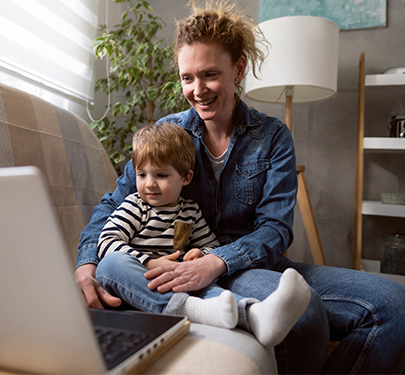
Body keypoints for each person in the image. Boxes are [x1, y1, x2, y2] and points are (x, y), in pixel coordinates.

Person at [75, 1, 405, 373]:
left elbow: (275, 229)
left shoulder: (273, 136)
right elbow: (111, 206)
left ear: (239, 69)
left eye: (210, 74)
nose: (197, 89)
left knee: (395, 305)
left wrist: (218, 261)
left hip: (250, 264)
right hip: (182, 266)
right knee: (306, 316)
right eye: (187, 78)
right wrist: (87, 264)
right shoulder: (167, 135)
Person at [96, 122, 311, 347]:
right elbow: (108, 241)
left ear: (186, 178)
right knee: (111, 265)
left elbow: (211, 245)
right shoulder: (135, 205)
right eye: (141, 174)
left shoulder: (190, 211)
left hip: (178, 278)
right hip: (138, 280)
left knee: (208, 284)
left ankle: (254, 316)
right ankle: (189, 309)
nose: (149, 184)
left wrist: (200, 254)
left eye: (161, 175)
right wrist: (149, 263)